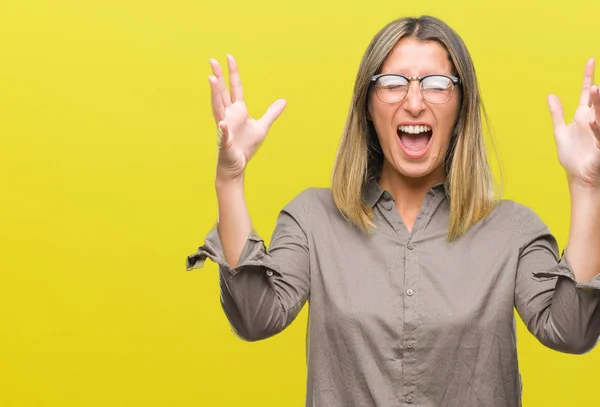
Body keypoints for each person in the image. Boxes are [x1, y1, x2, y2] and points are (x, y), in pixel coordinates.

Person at [187, 15, 600, 407]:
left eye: (437, 84)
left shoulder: (513, 230)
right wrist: (230, 179)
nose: (415, 102)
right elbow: (255, 318)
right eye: (393, 83)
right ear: (368, 104)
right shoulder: (312, 219)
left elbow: (573, 331)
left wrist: (587, 189)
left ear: (461, 107)